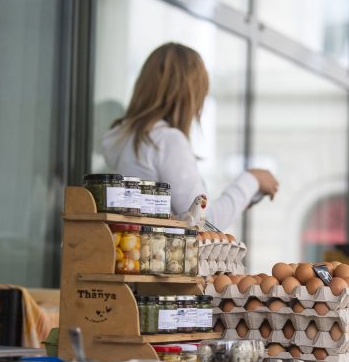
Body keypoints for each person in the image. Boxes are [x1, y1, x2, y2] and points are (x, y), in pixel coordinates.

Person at [101, 43, 279, 230]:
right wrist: (252, 180)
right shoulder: (166, 141)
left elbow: (186, 216)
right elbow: (205, 223)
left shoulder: (128, 140)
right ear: (191, 94)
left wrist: (244, 198)